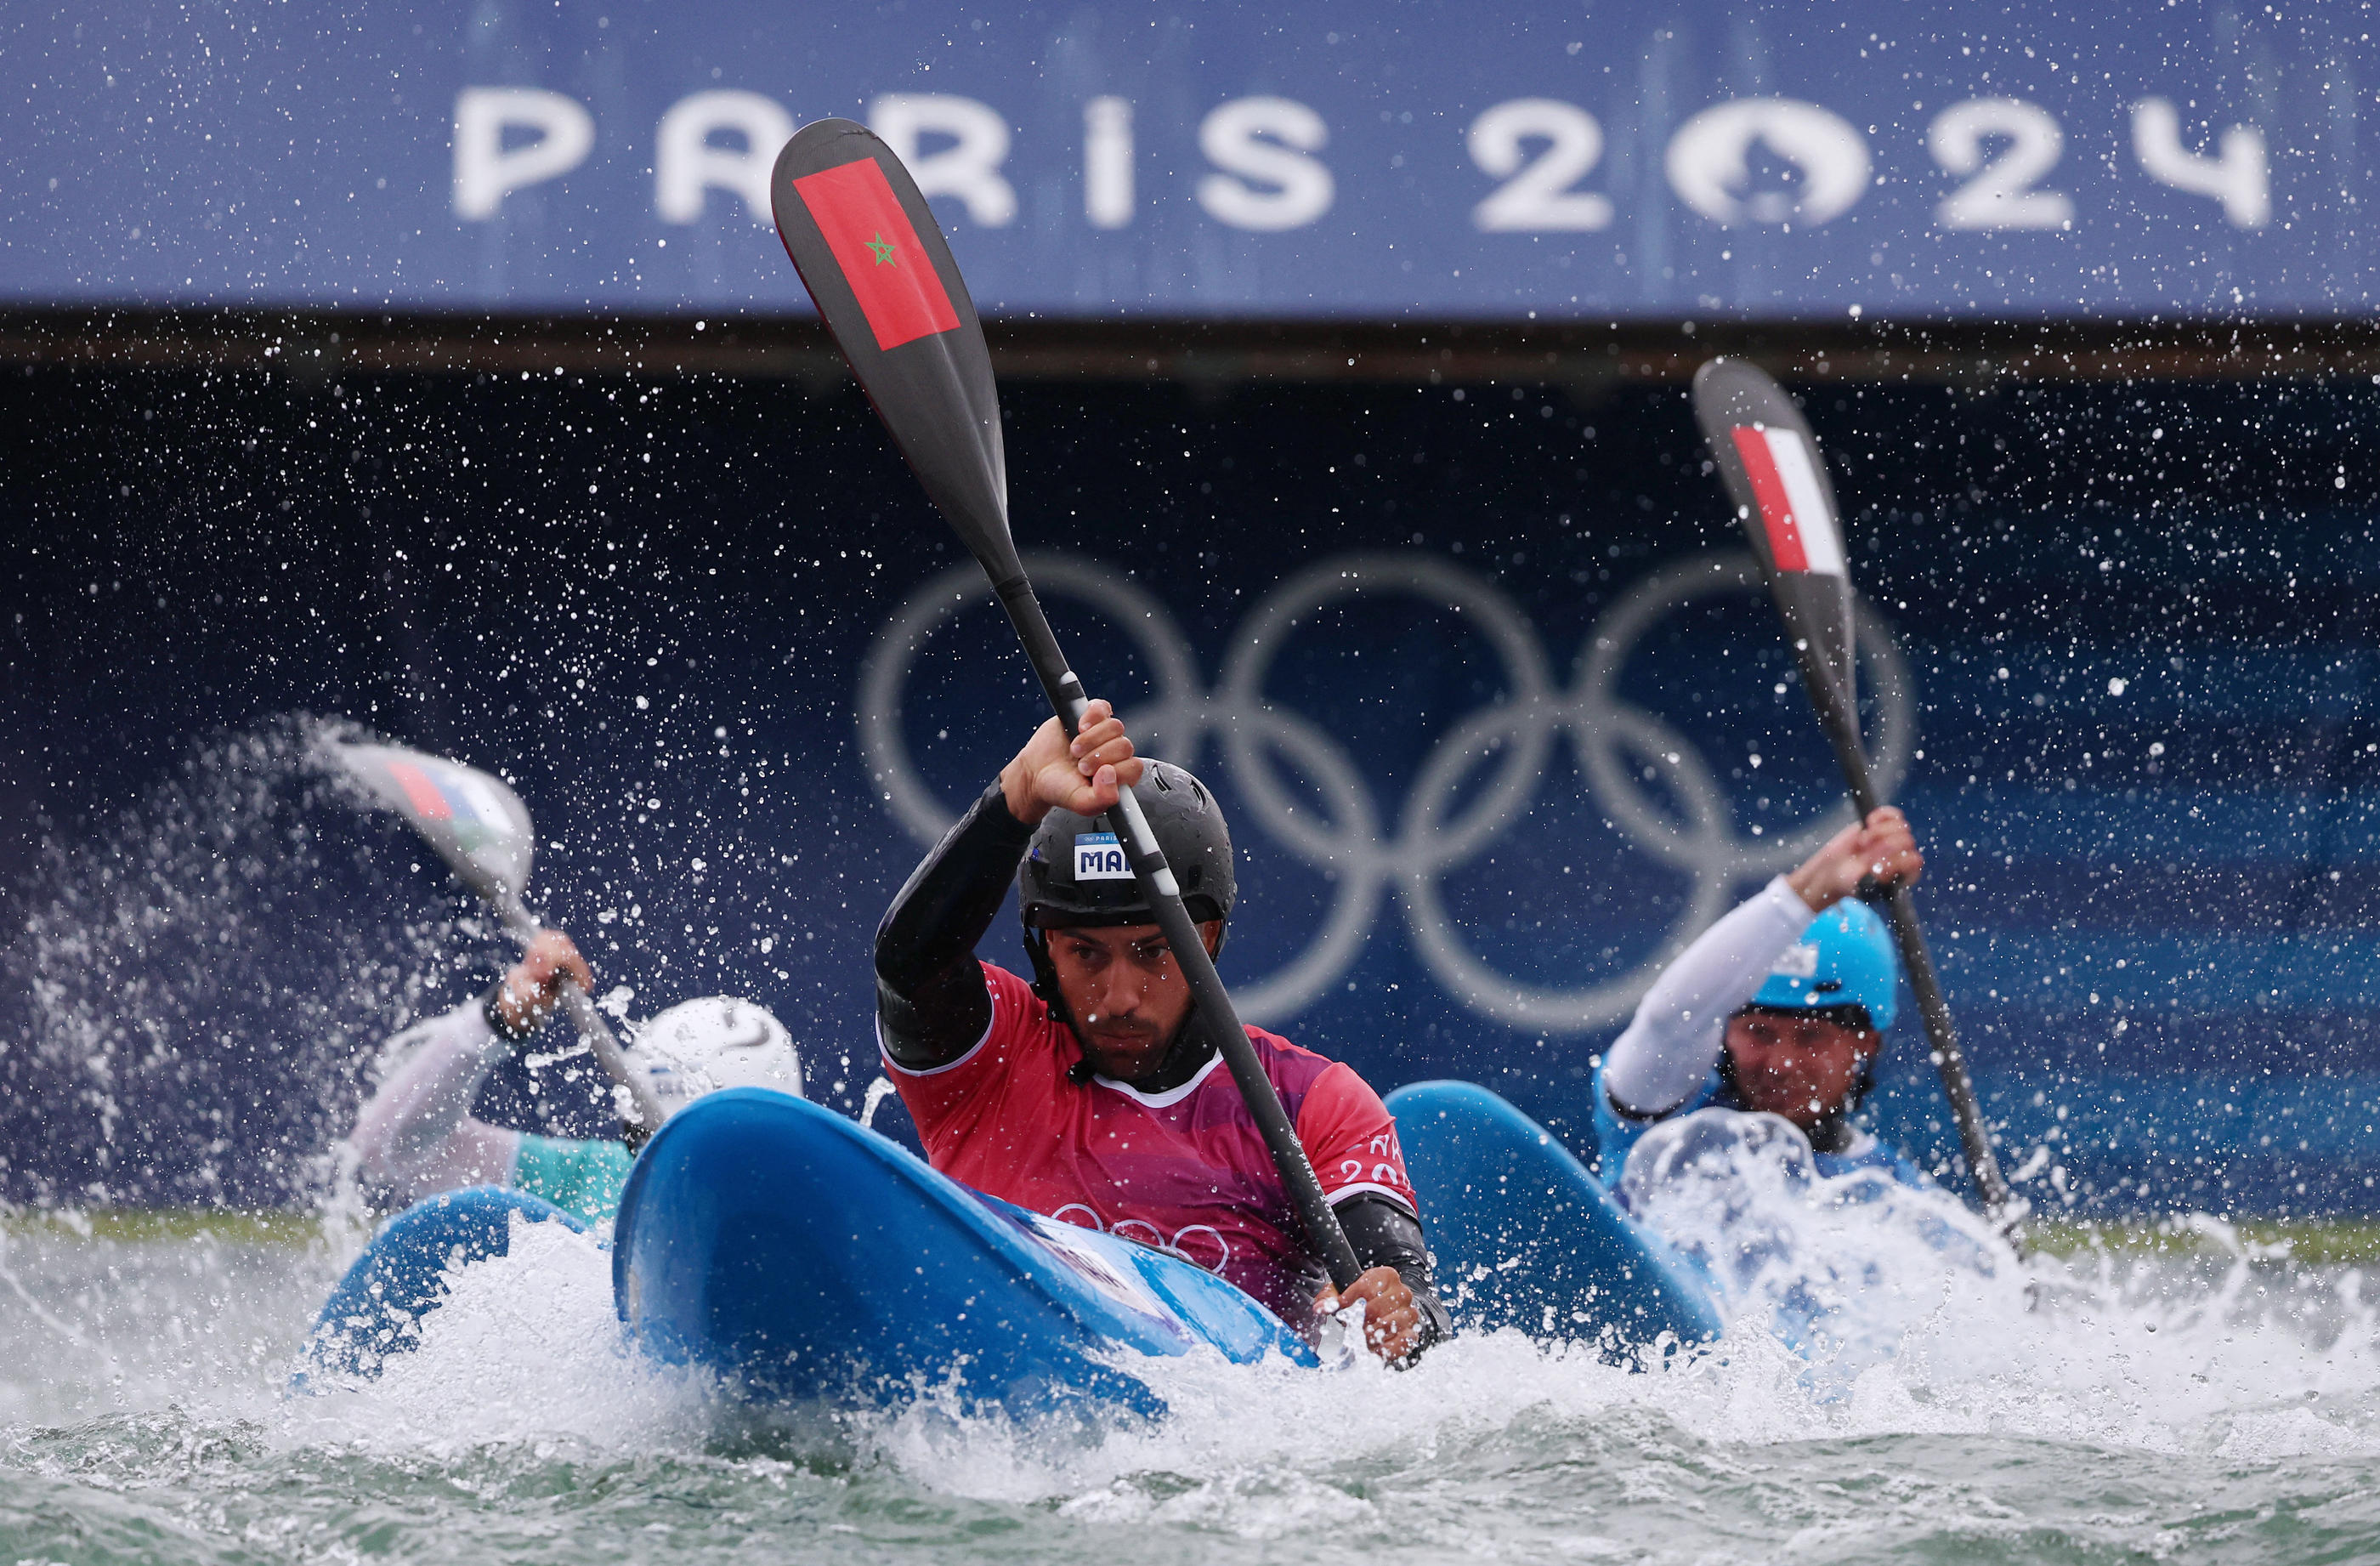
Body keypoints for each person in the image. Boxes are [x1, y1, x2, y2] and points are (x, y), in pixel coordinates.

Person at [874, 700, 1450, 1365]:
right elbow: (909, 961)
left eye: (1152, 950)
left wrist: (1397, 1316)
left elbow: (1407, 1294)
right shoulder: (992, 1056)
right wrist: (1018, 794)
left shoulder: (1313, 1102)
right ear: (1045, 947)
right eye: (1085, 953)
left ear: (1204, 938)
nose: (1118, 998)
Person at [349, 928, 801, 1223]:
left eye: (710, 1149)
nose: (668, 1171)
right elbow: (389, 1149)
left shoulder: (831, 1214)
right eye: (647, 1145)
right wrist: (493, 1023)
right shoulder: (589, 1178)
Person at [1595, 807, 1930, 1194]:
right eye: (1759, 1033)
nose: (1781, 1064)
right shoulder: (1663, 1117)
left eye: (1811, 1038)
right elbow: (1668, 1020)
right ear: (1725, 1029)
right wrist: (1809, 889)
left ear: (1867, 1043)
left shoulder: (1902, 1198)